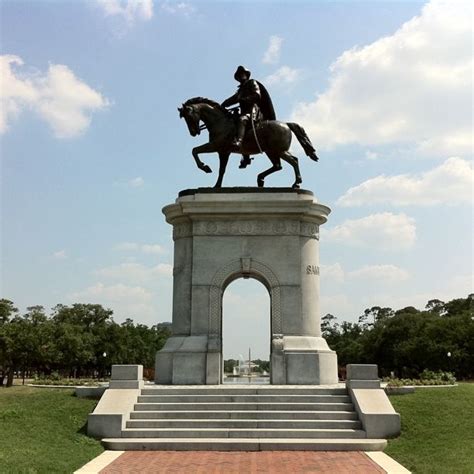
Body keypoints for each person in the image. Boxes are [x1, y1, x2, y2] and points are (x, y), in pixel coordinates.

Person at [221, 66, 276, 168]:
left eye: (242, 74)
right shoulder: (240, 90)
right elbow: (233, 99)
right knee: (233, 124)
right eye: (239, 75)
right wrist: (223, 104)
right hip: (244, 112)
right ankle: (245, 156)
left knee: (242, 120)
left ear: (246, 75)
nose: (241, 76)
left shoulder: (252, 83)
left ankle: (239, 142)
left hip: (253, 112)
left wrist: (245, 99)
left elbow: (257, 95)